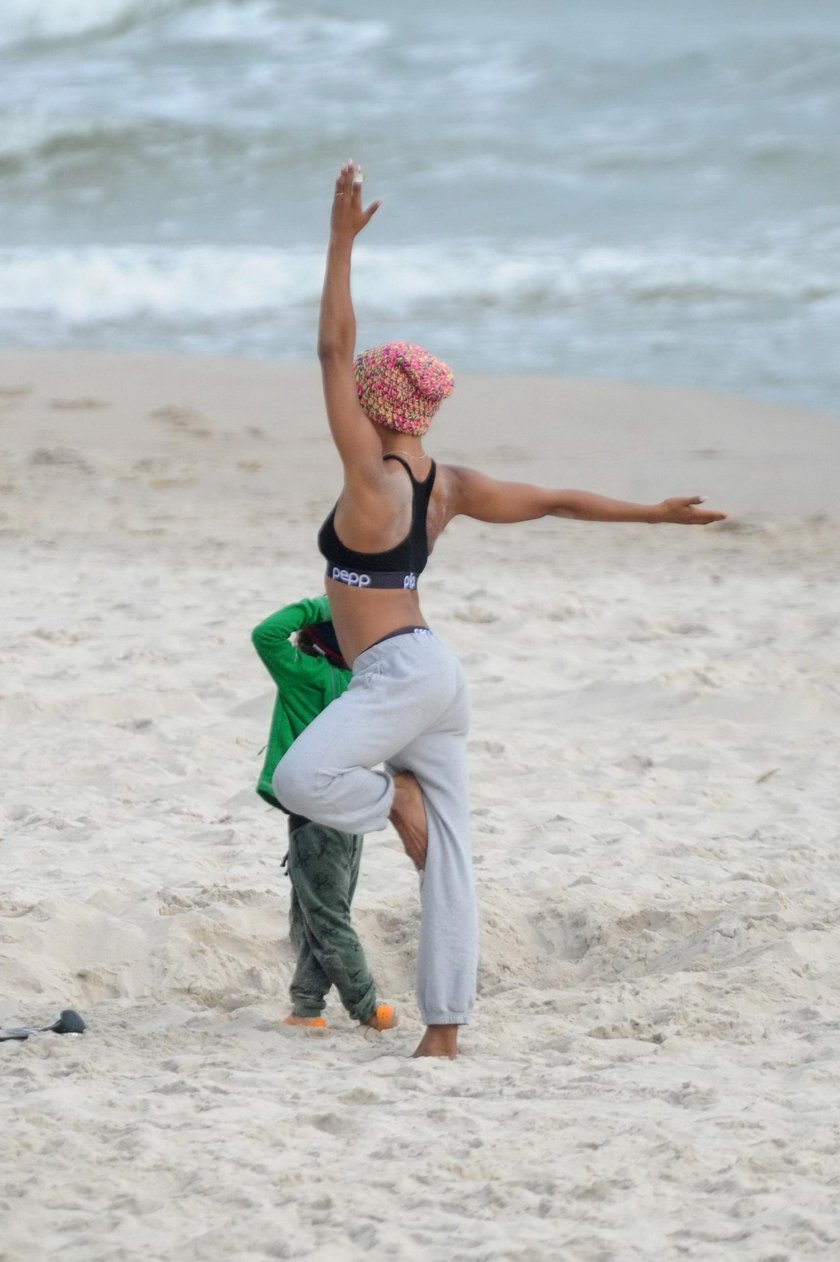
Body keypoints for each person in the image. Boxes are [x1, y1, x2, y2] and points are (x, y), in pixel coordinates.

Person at [272, 161, 728, 1060]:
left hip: (397, 676)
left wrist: (339, 243)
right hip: (436, 675)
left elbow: (330, 347)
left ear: (370, 402)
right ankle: (443, 1034)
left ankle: (392, 795)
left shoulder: (371, 479)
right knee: (450, 856)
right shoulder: (451, 484)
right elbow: (555, 500)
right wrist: (652, 514)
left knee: (304, 780)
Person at [252, 593, 397, 1033]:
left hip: (312, 812)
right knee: (318, 910)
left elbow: (266, 634)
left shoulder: (303, 674)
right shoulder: (362, 685)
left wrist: (326, 603)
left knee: (324, 917)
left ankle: (366, 1008)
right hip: (351, 807)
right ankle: (306, 1008)